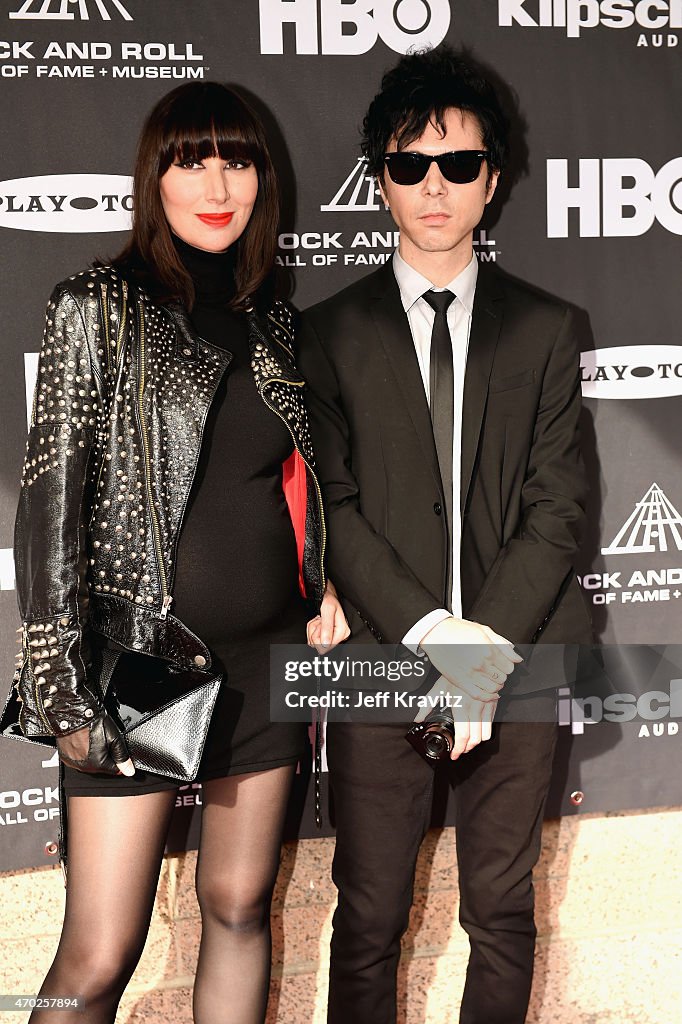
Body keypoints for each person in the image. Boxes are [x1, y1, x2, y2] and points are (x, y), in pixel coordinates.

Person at [1, 81, 348, 1024]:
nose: (216, 181)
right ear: (153, 178)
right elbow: (48, 511)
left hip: (269, 658)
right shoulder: (97, 307)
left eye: (237, 159)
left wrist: (323, 587)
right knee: (103, 946)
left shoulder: (276, 321)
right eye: (190, 159)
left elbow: (300, 480)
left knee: (239, 907)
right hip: (143, 663)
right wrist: (59, 682)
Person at [297, 47, 592, 1024]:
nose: (435, 186)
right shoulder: (325, 334)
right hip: (384, 652)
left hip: (521, 651)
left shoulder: (549, 328)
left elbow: (559, 508)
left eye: (458, 165)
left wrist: (478, 658)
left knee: (503, 912)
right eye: (410, 164)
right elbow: (331, 505)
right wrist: (434, 634)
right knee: (369, 911)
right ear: (379, 176)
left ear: (491, 179)